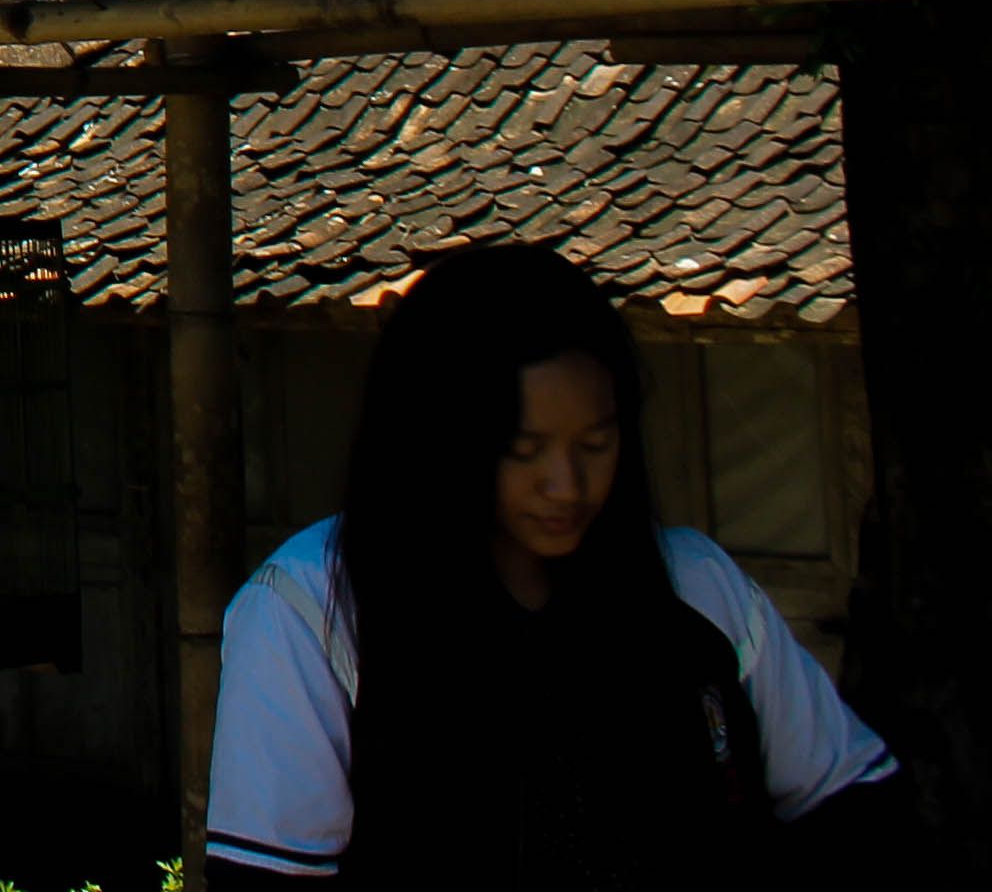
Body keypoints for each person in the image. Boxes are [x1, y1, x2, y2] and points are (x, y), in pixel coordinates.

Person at [204, 243, 909, 887]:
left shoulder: (696, 589)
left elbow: (848, 804)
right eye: (522, 449)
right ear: (438, 437)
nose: (567, 486)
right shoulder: (310, 612)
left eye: (595, 445)